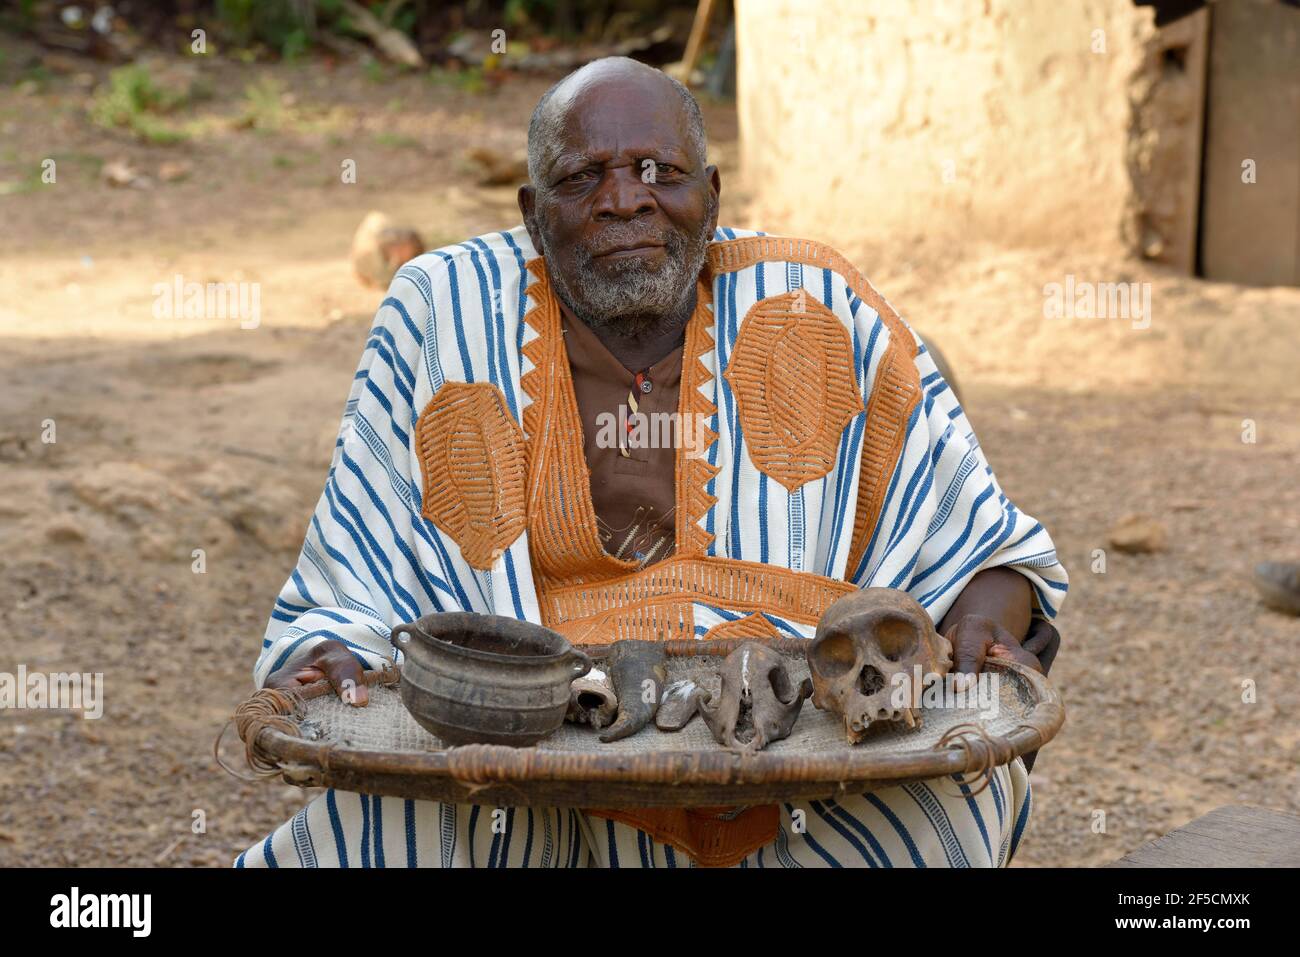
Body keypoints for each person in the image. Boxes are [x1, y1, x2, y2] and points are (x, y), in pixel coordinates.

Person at [236, 57, 1067, 868]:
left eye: (657, 170)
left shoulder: (818, 302)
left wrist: (986, 613)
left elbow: (984, 544)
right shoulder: (441, 310)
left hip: (807, 748)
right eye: (582, 178)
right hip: (519, 752)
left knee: (943, 817)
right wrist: (332, 654)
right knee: (387, 842)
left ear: (711, 197)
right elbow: (352, 575)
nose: (623, 199)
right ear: (532, 213)